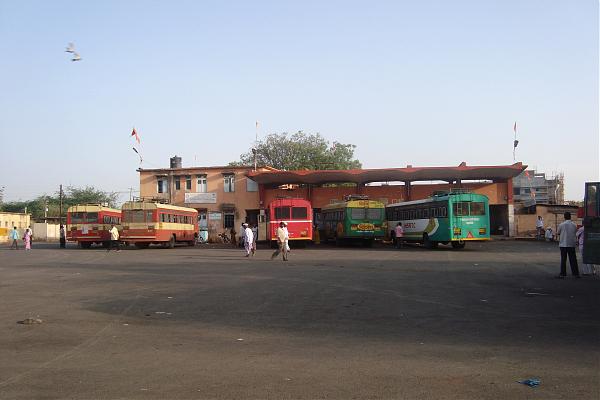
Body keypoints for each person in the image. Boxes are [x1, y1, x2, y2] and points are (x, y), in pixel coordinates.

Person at [556, 212, 579, 278]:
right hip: (571, 244)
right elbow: (575, 232)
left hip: (563, 244)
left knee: (563, 259)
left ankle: (563, 273)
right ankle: (575, 273)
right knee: (573, 259)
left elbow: (558, 233)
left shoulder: (561, 224)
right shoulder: (574, 225)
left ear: (564, 217)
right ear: (570, 217)